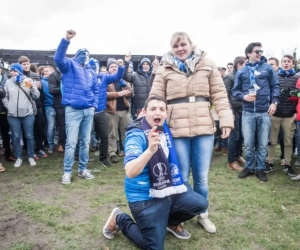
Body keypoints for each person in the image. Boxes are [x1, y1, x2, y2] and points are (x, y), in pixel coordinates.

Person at [149, 32, 234, 234]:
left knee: (202, 177)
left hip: (204, 126)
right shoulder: (164, 68)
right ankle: (181, 215)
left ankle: (203, 214)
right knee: (181, 175)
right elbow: (156, 97)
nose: (180, 48)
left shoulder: (208, 64)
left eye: (183, 44)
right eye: (176, 45)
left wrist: (226, 119)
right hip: (177, 127)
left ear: (190, 44)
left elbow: (220, 94)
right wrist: (154, 123)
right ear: (171, 48)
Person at [102, 95, 208, 250]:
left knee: (200, 204)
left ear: (166, 113)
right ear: (144, 112)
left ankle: (170, 223)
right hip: (145, 198)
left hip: (169, 189)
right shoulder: (136, 134)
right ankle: (120, 219)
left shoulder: (164, 128)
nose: (157, 112)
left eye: (161, 109)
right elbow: (130, 171)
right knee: (153, 247)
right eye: (152, 109)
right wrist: (150, 150)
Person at [54, 30, 99, 184]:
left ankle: (82, 169)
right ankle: (67, 171)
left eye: (87, 54)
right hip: (73, 110)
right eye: (82, 53)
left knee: (85, 142)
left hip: (88, 110)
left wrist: (93, 105)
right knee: (71, 142)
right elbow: (58, 58)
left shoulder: (90, 71)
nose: (85, 56)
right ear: (76, 54)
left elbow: (95, 89)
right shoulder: (69, 65)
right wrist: (66, 39)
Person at [232, 42, 280, 182]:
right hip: (247, 112)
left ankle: (260, 168)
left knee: (263, 143)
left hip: (264, 112)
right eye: (256, 51)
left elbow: (275, 86)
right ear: (248, 54)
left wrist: (274, 103)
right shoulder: (242, 71)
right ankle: (249, 167)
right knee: (248, 143)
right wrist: (243, 96)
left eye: (261, 51)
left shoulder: (267, 68)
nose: (259, 53)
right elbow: (235, 91)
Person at [2, 63, 40, 167]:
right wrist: (8, 106)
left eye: (14, 70)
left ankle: (31, 156)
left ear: (19, 71)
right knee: (15, 137)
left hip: (28, 113)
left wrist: (32, 87)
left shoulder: (27, 81)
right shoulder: (8, 82)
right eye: (11, 71)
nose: (12, 72)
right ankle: (18, 157)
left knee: (29, 136)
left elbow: (36, 96)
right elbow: (5, 96)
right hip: (13, 115)